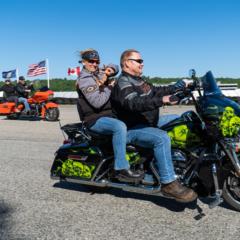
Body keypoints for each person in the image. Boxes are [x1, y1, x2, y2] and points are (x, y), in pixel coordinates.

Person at [111, 49, 197, 202]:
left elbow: (156, 91)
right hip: (132, 127)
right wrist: (162, 100)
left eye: (141, 61)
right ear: (127, 63)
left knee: (181, 119)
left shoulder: (139, 80)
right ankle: (168, 183)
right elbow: (134, 103)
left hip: (148, 122)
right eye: (139, 61)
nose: (142, 63)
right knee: (161, 138)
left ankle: (188, 161)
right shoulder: (123, 82)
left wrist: (177, 87)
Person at [76, 48, 142, 183]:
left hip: (109, 115)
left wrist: (110, 70)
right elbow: (97, 102)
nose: (94, 64)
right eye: (91, 62)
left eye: (97, 62)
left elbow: (116, 67)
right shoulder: (85, 80)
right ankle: (121, 168)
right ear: (83, 62)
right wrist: (109, 87)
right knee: (119, 127)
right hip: (94, 119)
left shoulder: (98, 73)